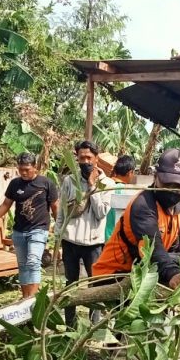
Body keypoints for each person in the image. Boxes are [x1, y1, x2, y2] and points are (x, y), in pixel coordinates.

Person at [93, 148, 180, 290]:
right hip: (113, 277)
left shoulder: (178, 208)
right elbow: (152, 250)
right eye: (167, 183)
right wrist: (172, 274)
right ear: (156, 177)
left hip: (141, 273)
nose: (172, 190)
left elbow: (173, 251)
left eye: (178, 186)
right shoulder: (143, 205)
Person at [0, 152, 58, 299]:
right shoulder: (15, 184)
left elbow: (55, 206)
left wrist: (60, 225)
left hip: (38, 229)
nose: (24, 172)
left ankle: (32, 298)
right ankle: (25, 297)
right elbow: (6, 204)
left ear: (35, 168)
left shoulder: (46, 183)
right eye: (21, 169)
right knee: (23, 265)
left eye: (27, 169)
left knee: (33, 262)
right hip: (19, 231)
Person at [58, 140, 113, 327]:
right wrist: (57, 237)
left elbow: (101, 213)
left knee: (95, 286)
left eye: (89, 157)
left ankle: (92, 326)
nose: (86, 161)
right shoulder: (69, 181)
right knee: (70, 284)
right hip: (70, 241)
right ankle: (69, 325)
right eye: (82, 158)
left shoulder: (107, 183)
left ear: (96, 159)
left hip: (94, 244)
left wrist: (92, 187)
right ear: (77, 159)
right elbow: (62, 212)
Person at [105, 155, 138, 241]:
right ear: (129, 173)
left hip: (102, 237)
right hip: (117, 239)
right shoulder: (128, 191)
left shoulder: (106, 186)